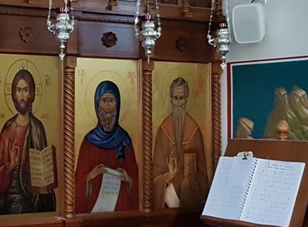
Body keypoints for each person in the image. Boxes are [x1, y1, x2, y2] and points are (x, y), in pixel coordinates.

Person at [0, 69, 56, 215]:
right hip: (11, 199)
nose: (21, 96)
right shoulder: (8, 129)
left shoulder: (38, 127)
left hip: (34, 197)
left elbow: (44, 165)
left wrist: (45, 183)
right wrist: (10, 165)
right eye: (18, 90)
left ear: (31, 94)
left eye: (25, 90)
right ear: (13, 94)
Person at [74, 81, 137, 213]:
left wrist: (128, 178)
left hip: (121, 211)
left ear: (117, 105)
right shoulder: (88, 142)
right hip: (94, 213)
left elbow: (138, 182)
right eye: (104, 101)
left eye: (111, 101)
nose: (108, 107)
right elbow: (76, 185)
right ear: (97, 105)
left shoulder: (124, 140)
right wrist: (90, 176)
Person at [152, 77, 209, 209]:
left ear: (186, 99)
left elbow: (202, 173)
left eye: (181, 98)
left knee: (184, 186)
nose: (178, 103)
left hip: (189, 184)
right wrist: (168, 176)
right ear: (171, 99)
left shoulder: (194, 131)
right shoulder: (163, 131)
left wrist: (185, 177)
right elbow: (156, 172)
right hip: (169, 186)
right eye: (175, 98)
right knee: (168, 194)